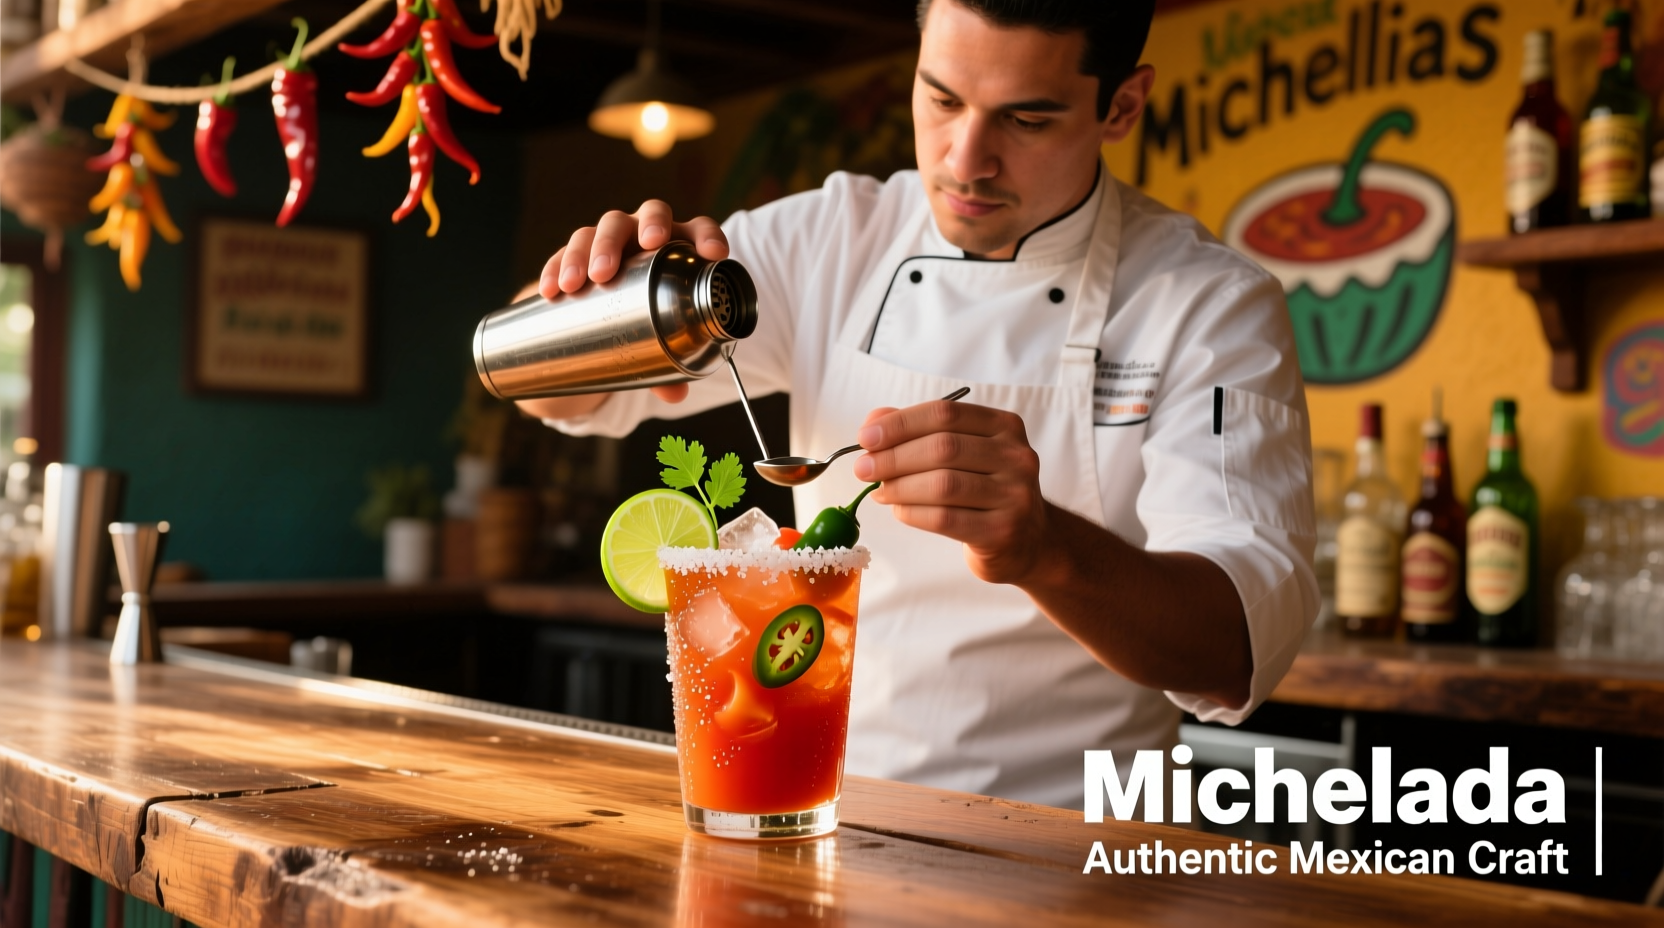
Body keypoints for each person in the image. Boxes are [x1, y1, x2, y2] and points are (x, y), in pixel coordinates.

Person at [521, 0, 1317, 809]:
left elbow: (1234, 651)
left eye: (1027, 120)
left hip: (1070, 853)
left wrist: (1044, 549)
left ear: (1122, 105)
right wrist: (611, 297)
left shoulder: (1208, 304)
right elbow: (556, 391)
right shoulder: (834, 237)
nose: (966, 160)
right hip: (817, 814)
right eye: (940, 99)